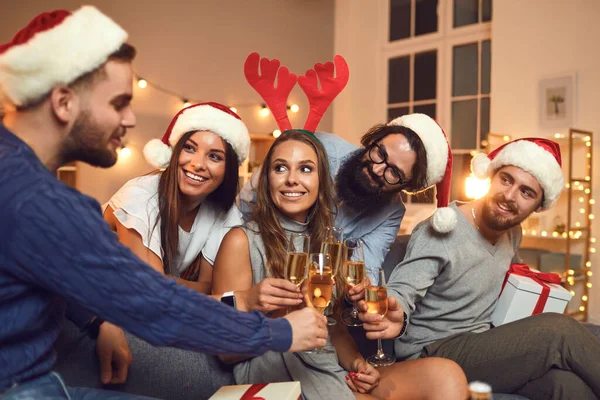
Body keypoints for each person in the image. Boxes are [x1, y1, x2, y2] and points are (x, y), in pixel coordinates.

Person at [0, 7, 327, 398]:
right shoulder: (40, 202)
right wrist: (281, 331)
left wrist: (93, 319)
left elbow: (56, 276)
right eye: (119, 102)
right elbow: (154, 303)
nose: (132, 118)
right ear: (64, 102)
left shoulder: (18, 177)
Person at [213, 130, 469, 400]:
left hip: (325, 365)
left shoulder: (327, 245)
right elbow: (225, 351)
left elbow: (333, 330)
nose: (292, 179)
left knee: (446, 376)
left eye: (306, 169)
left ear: (322, 180)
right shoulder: (241, 241)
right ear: (266, 178)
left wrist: (357, 363)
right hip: (280, 372)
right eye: (280, 168)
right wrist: (272, 313)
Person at [358, 138, 600, 399]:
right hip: (435, 352)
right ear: (492, 176)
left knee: (567, 386)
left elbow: (505, 269)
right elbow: (403, 289)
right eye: (506, 180)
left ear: (538, 207)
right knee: (559, 331)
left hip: (485, 348)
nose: (509, 196)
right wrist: (397, 310)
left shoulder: (512, 232)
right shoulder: (442, 229)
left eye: (526, 192)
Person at [239, 52, 454, 283]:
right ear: (373, 139)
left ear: (406, 186)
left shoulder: (390, 214)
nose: (377, 169)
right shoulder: (322, 148)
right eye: (380, 152)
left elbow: (365, 271)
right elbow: (247, 204)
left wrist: (361, 291)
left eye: (394, 172)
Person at [104, 102, 248, 293]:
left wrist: (169, 281)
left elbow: (214, 288)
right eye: (189, 148)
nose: (197, 164)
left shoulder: (223, 212)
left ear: (228, 169)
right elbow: (151, 288)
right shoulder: (139, 196)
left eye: (214, 157)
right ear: (174, 152)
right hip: (80, 303)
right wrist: (182, 283)